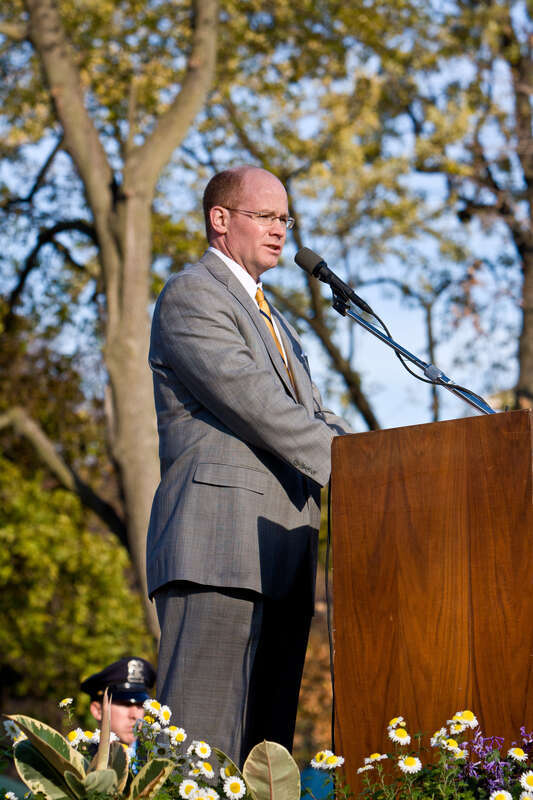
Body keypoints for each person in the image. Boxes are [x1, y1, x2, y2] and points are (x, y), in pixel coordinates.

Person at [146, 165, 352, 766]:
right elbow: (255, 403)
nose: (280, 230)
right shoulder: (193, 295)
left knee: (265, 765)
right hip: (218, 550)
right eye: (265, 216)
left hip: (283, 556)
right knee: (196, 757)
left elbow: (313, 413)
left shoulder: (277, 318)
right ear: (220, 220)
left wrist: (376, 460)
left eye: (284, 218)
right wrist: (349, 464)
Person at [80, 657, 156, 748]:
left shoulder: (158, 757)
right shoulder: (81, 761)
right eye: (126, 704)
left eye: (140, 705)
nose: (134, 715)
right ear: (98, 710)